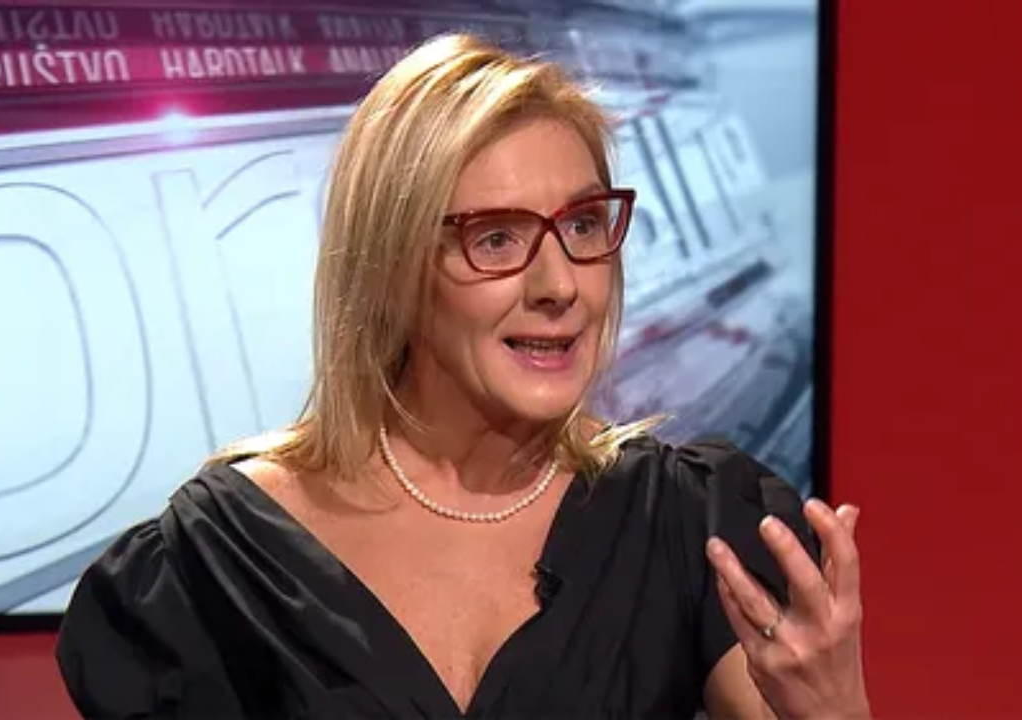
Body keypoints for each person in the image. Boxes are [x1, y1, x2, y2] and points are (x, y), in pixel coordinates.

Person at [55, 34, 872, 719]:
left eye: (584, 224)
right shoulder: (216, 565)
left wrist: (832, 707)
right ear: (393, 267)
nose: (560, 284)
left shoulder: (694, 525)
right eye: (496, 238)